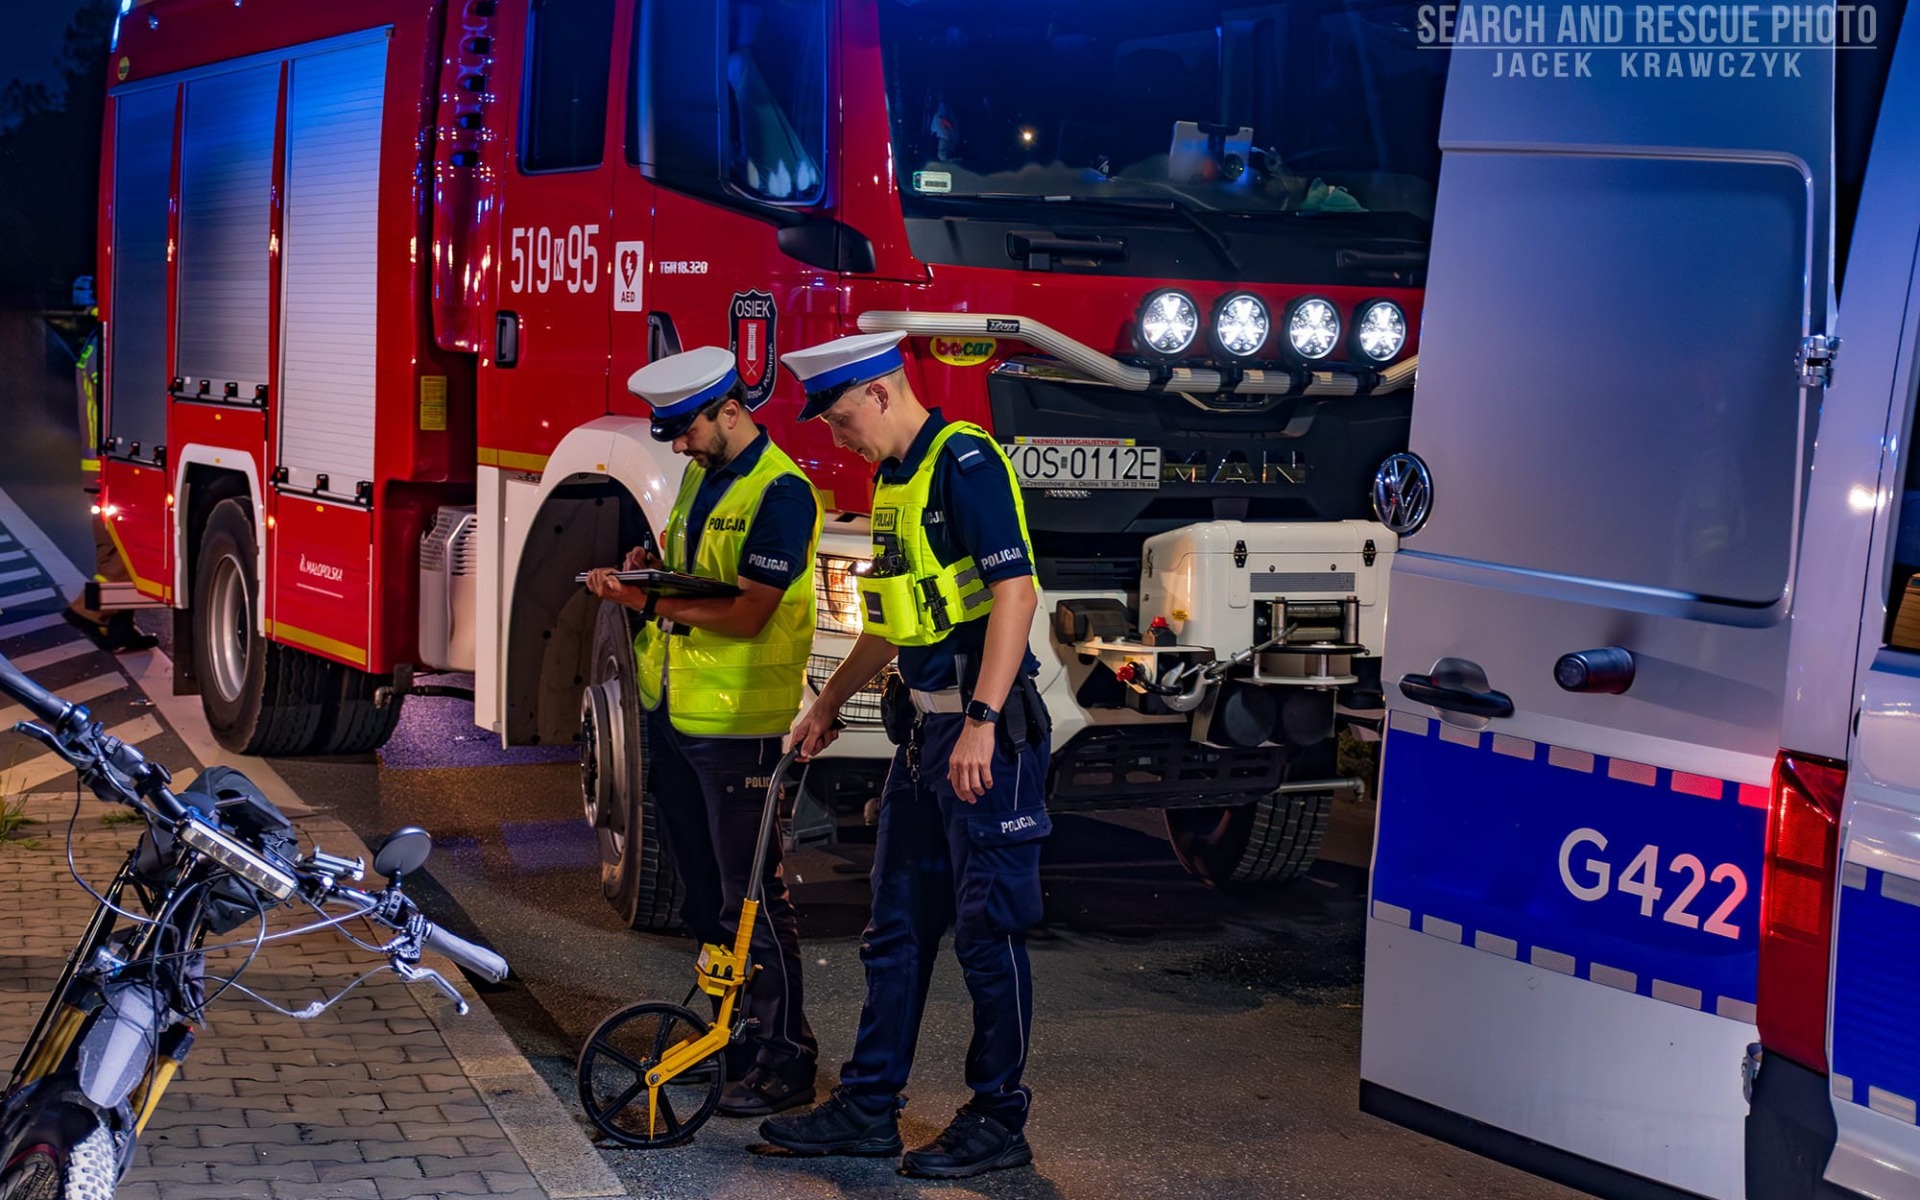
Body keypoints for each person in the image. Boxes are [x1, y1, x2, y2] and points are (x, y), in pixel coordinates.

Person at [762, 331, 1051, 1179]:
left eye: (843, 414)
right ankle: (868, 1108)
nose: (835, 435)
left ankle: (1000, 1118)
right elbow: (893, 621)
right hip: (927, 740)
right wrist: (826, 703)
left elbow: (1016, 590)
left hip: (980, 741)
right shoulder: (894, 482)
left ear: (883, 392)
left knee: (989, 936)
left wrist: (985, 719)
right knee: (893, 930)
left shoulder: (965, 462)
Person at [584, 346, 822, 1117]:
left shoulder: (781, 491)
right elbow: (702, 571)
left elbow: (751, 611)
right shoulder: (702, 475)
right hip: (681, 712)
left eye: (684, 429)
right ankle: (736, 1034)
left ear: (729, 411)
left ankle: (785, 1058)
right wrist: (651, 567)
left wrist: (644, 603)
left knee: (752, 898)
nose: (677, 446)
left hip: (740, 724)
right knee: (705, 899)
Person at [63, 320, 156, 653]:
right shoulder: (106, 348)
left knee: (114, 549)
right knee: (125, 550)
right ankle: (87, 610)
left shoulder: (97, 340)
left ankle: (120, 628)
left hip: (104, 467)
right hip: (111, 468)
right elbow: (120, 401)